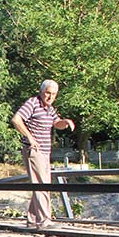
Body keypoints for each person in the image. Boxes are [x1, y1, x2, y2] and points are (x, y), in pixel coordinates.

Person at [12, 80, 76, 228]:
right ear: (41, 91)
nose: (50, 96)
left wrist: (65, 122)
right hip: (35, 151)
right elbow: (16, 119)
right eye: (48, 93)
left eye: (53, 94)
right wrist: (29, 137)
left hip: (45, 152)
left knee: (42, 184)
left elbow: (56, 123)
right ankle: (44, 220)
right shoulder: (33, 103)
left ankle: (33, 218)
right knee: (42, 185)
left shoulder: (49, 108)